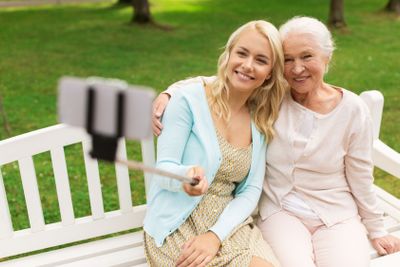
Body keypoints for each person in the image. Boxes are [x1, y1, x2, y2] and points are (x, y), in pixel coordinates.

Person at [151, 16, 400, 267]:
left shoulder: (346, 110)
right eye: (288, 59)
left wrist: (377, 229)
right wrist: (171, 91)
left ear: (327, 57)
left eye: (307, 57)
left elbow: (360, 175)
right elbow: (225, 80)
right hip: (275, 212)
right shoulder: (272, 101)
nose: (297, 68)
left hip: (332, 214)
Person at [144, 20, 287, 267]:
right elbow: (163, 170)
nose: (247, 65)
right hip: (178, 224)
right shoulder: (187, 100)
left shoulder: (260, 117)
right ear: (228, 55)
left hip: (229, 224)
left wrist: (215, 236)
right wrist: (184, 176)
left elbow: (249, 191)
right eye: (242, 53)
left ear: (270, 74)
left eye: (261, 60)